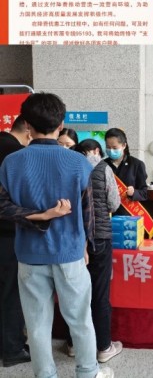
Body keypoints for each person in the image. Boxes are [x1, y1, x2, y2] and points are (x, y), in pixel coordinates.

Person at [0, 92, 113, 378]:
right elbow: (88, 212)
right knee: (80, 320)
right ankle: (88, 372)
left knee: (37, 325)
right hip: (70, 252)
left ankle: (46, 375)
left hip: (29, 255)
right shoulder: (78, 163)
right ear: (61, 124)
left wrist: (40, 216)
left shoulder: (11, 162)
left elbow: (3, 207)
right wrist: (87, 245)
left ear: (27, 125)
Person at [65, 139, 123, 363]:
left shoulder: (69, 167)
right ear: (97, 151)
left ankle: (73, 344)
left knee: (73, 293)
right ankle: (103, 347)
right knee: (99, 293)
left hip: (73, 238)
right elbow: (114, 203)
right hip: (99, 237)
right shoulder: (103, 168)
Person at [0, 115, 31, 368]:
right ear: (29, 131)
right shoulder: (17, 155)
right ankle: (12, 349)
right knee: (11, 292)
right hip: (8, 233)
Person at [104, 128, 148, 214]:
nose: (111, 150)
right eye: (108, 147)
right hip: (107, 214)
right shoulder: (102, 165)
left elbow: (144, 193)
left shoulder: (136, 164)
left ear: (124, 145)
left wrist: (134, 193)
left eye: (114, 147)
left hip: (128, 214)